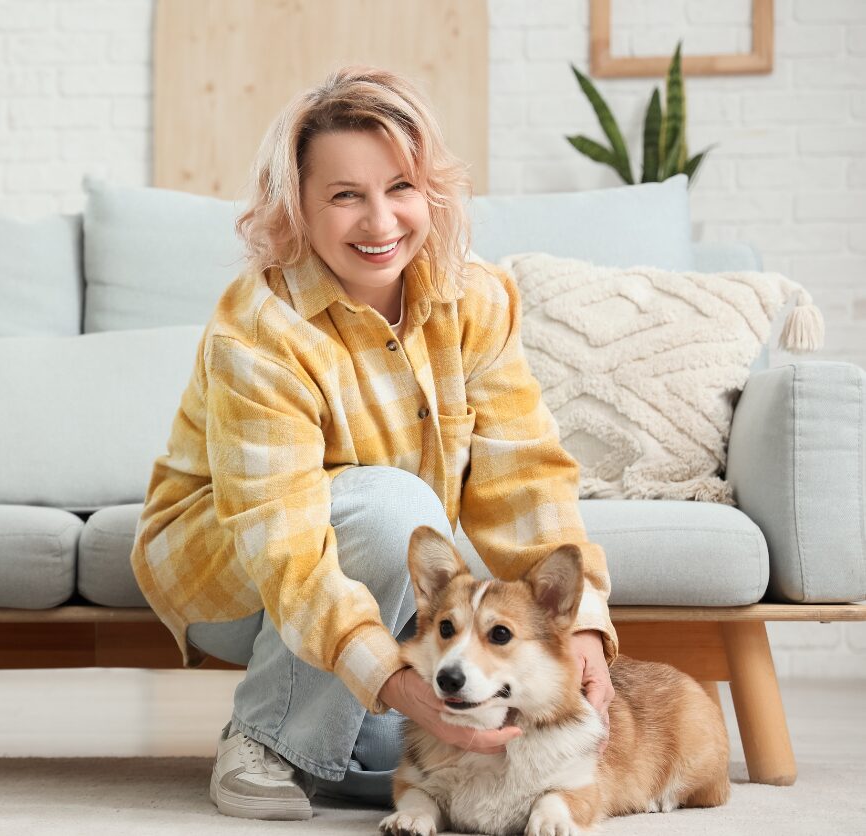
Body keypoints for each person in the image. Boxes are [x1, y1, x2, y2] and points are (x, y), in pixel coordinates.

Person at [128, 65, 620, 820]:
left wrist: (583, 621)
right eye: (345, 195)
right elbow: (284, 549)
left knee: (416, 748)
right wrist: (394, 685)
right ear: (298, 209)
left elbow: (524, 479)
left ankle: (342, 744)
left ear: (432, 193)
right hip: (232, 567)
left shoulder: (477, 299)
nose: (381, 222)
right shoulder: (259, 328)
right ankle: (263, 739)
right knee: (393, 509)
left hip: (386, 568)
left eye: (401, 188)